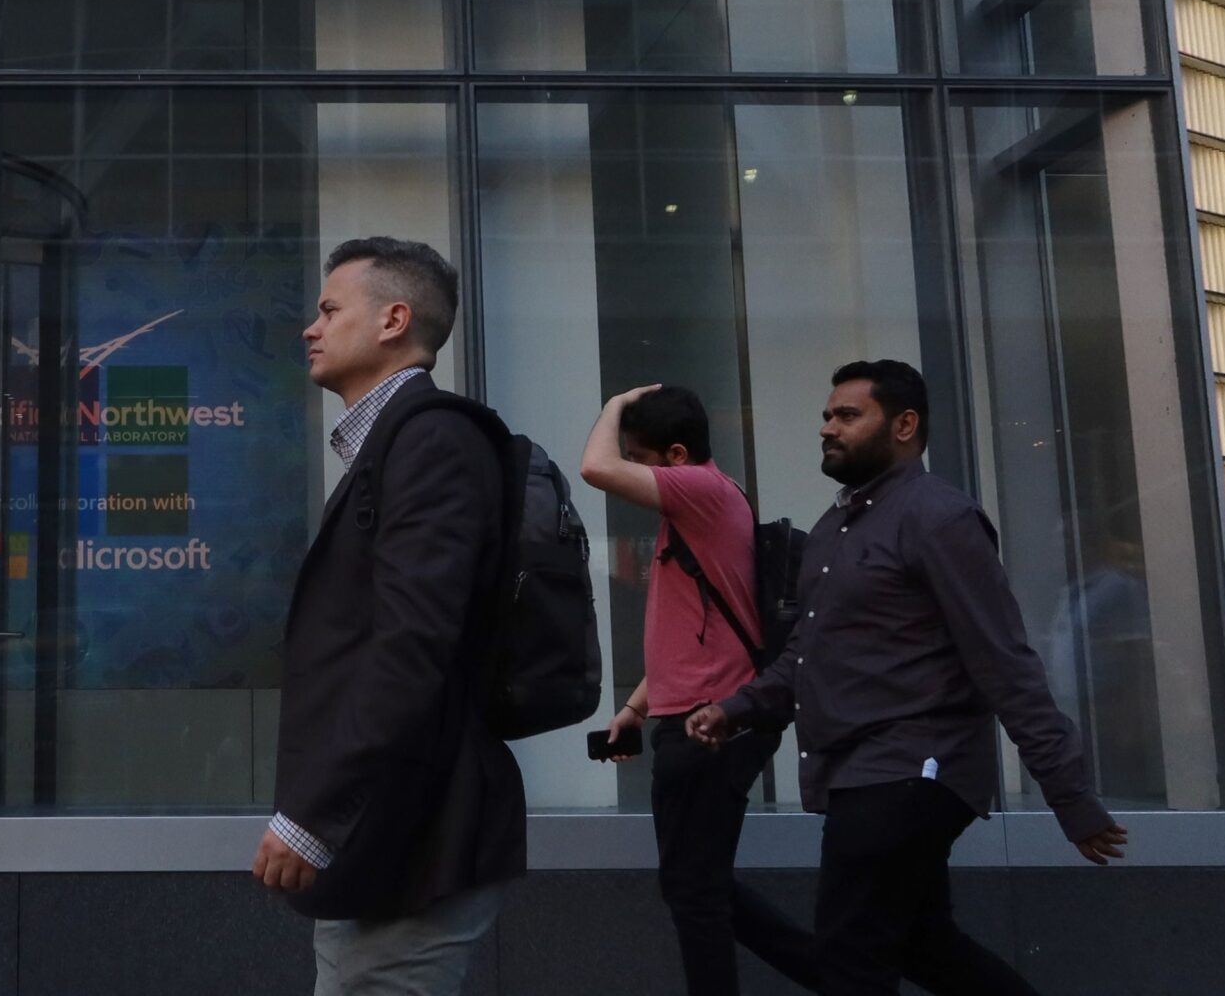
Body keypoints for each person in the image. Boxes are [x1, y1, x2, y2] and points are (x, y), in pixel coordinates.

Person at [687, 360, 1131, 996]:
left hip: (910, 770)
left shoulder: (939, 518)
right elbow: (806, 656)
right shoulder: (833, 530)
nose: (827, 428)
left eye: (847, 415)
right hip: (862, 771)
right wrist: (736, 708)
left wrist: (1070, 795)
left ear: (904, 425)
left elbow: (1004, 660)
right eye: (826, 416)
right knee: (922, 943)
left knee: (850, 960)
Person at [255, 237, 525, 996]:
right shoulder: (400, 441)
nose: (311, 327)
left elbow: (412, 648)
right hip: (384, 836)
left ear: (393, 320)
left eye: (329, 309)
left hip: (418, 838)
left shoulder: (431, 440)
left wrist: (314, 814)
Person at [581, 385, 816, 996]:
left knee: (694, 892)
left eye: (641, 457)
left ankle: (842, 977)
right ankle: (841, 977)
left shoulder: (703, 492)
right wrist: (635, 709)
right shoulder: (695, 510)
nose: (634, 469)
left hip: (711, 724)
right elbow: (689, 631)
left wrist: (614, 406)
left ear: (677, 456)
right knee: (696, 885)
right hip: (692, 716)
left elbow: (596, 468)